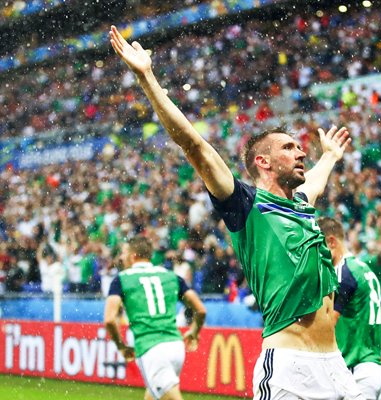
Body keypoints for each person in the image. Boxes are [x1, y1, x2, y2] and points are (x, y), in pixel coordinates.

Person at [109, 26, 364, 399]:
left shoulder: (300, 205)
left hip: (335, 364)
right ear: (263, 162)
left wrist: (330, 156)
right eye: (290, 148)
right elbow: (192, 143)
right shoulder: (245, 204)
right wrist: (147, 77)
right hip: (290, 366)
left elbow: (317, 182)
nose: (301, 153)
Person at [104, 236, 206, 400]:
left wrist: (121, 346)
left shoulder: (121, 280)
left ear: (133, 256)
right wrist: (194, 331)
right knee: (153, 395)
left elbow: (109, 319)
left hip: (151, 349)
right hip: (176, 347)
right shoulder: (171, 276)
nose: (121, 258)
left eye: (123, 253)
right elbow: (200, 310)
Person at [318, 217, 381, 400]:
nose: (316, 254)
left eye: (318, 246)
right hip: (374, 371)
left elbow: (326, 326)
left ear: (331, 242)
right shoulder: (366, 272)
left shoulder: (342, 274)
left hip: (354, 373)